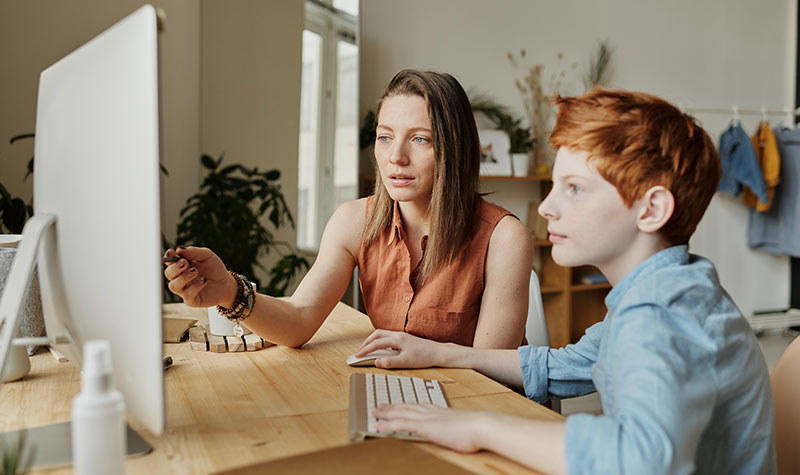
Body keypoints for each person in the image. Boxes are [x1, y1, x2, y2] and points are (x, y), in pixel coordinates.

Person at [356, 88, 776, 474]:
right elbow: (561, 365)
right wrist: (439, 352)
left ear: (651, 210)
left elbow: (639, 458)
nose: (547, 208)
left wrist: (479, 426)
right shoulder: (668, 289)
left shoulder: (660, 314)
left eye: (574, 188)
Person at [164, 69, 532, 349]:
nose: (395, 157)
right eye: (385, 137)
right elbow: (299, 320)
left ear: (455, 149)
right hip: (404, 398)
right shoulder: (354, 221)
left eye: (420, 139)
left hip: (480, 411)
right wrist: (230, 290)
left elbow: (490, 373)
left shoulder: (504, 238)